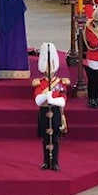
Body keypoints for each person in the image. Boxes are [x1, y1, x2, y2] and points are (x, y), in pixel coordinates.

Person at [33, 42, 68, 171]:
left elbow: (63, 101)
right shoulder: (40, 82)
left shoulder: (60, 82)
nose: (50, 70)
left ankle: (55, 162)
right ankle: (46, 161)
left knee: (55, 138)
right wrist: (44, 96)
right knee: (45, 138)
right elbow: (37, 100)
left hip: (55, 111)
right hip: (43, 111)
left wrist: (51, 99)